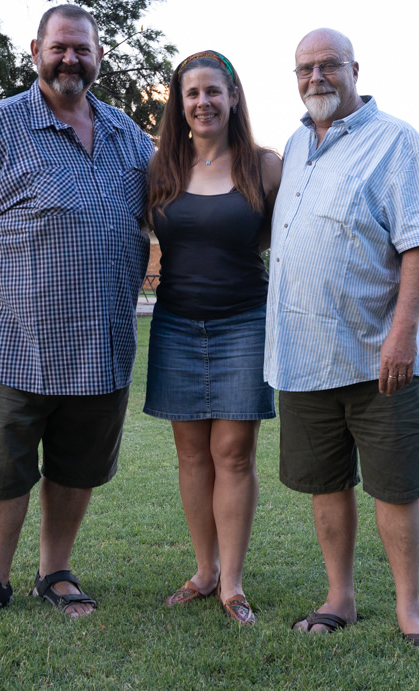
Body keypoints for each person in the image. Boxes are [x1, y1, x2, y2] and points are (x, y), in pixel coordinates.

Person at [0, 4, 153, 626]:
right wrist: (13, 280)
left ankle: (55, 572)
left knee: (77, 466)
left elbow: (175, 210)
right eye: (59, 47)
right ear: (35, 51)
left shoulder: (130, 138)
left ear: (99, 57)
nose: (70, 58)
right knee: (1, 470)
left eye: (82, 49)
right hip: (15, 345)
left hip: (100, 345)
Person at [264, 28, 419, 656]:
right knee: (326, 483)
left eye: (328, 65)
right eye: (304, 68)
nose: (315, 77)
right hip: (304, 355)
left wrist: (402, 335)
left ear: (355, 69)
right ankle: (339, 597)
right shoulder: (296, 144)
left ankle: (409, 610)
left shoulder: (395, 140)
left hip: (379, 355)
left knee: (396, 485)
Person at [144, 50, 282, 626]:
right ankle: (205, 571)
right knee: (191, 455)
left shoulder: (265, 167)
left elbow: (283, 238)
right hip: (177, 324)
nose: (203, 102)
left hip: (244, 324)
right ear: (179, 103)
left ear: (233, 97)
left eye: (213, 91)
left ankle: (233, 583)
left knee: (234, 454)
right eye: (192, 93)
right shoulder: (160, 169)